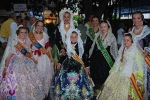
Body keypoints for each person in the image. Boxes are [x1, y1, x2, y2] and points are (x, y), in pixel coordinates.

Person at [0, 26, 44, 100]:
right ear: (18, 33)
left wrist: (33, 59)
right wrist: (5, 68)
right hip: (16, 63)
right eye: (21, 33)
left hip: (28, 62)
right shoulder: (14, 42)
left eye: (25, 33)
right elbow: (8, 57)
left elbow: (29, 53)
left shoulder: (27, 41)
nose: (23, 34)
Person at [97, 33, 145, 100]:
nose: (125, 42)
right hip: (119, 72)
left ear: (132, 41)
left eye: (128, 40)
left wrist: (139, 79)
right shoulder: (122, 50)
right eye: (124, 40)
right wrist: (112, 71)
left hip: (130, 75)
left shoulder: (136, 52)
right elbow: (117, 63)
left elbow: (140, 66)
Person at [50, 28, 93, 100]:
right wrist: (60, 63)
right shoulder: (67, 46)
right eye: (72, 37)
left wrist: (87, 66)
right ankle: (64, 94)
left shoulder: (80, 46)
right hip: (67, 64)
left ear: (78, 37)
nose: (73, 38)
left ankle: (78, 94)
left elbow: (83, 57)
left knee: (79, 75)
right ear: (69, 37)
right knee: (63, 74)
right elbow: (64, 56)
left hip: (78, 65)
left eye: (75, 37)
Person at [85, 18, 118, 96]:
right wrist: (89, 59)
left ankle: (104, 95)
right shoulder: (98, 35)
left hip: (106, 61)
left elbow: (115, 50)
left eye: (105, 26)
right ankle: (96, 94)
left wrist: (117, 61)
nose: (103, 28)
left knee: (105, 78)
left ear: (108, 27)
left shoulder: (112, 36)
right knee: (95, 78)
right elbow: (93, 48)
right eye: (102, 26)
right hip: (96, 60)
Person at [28, 20, 54, 97]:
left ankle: (44, 92)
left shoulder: (45, 35)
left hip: (43, 57)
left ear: (43, 27)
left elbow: (48, 47)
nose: (39, 27)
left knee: (44, 74)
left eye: (41, 26)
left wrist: (51, 57)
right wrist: (32, 58)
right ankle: (35, 91)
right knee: (35, 74)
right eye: (38, 25)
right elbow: (28, 48)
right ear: (35, 26)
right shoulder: (30, 35)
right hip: (33, 56)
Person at [130, 11, 150, 100]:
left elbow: (148, 46)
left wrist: (141, 60)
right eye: (134, 18)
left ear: (142, 19)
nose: (136, 20)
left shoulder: (147, 30)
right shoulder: (131, 31)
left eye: (138, 18)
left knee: (144, 81)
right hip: (132, 61)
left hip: (144, 60)